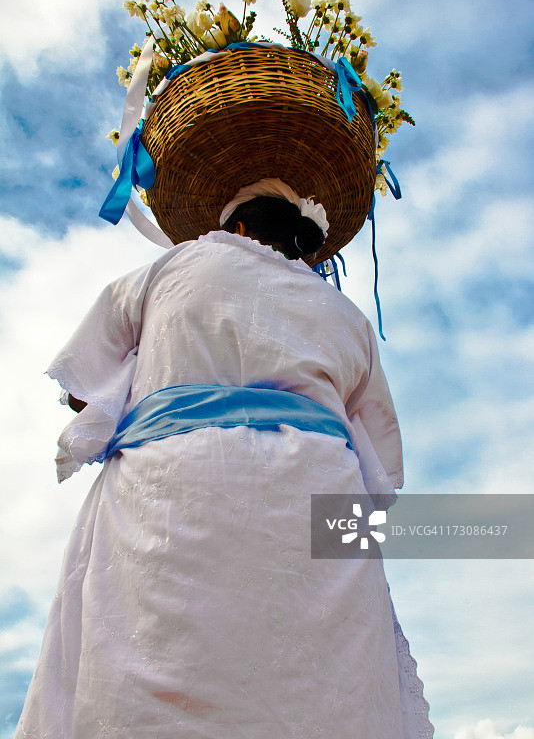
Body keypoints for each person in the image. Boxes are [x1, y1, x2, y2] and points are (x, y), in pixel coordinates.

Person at [14, 179, 432, 739]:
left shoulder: (172, 269)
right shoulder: (345, 313)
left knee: (158, 670)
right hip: (318, 488)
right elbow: (379, 456)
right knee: (331, 676)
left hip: (177, 479)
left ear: (235, 227)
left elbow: (82, 386)